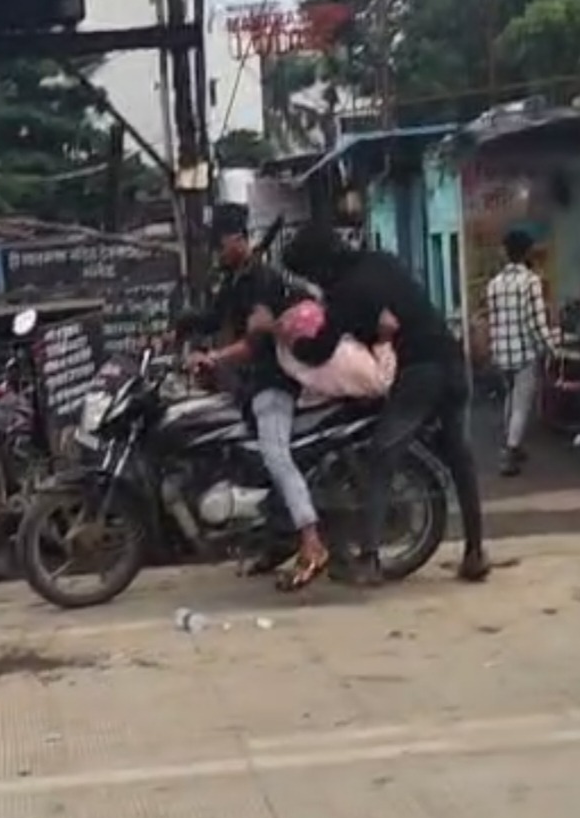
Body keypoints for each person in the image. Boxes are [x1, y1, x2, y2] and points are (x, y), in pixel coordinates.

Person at [283, 224, 490, 586]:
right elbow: (385, 320)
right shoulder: (381, 261)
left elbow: (320, 350)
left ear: (319, 264)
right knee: (460, 456)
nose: (313, 281)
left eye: (310, 273)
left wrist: (290, 342)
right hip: (453, 360)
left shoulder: (345, 290)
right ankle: (475, 553)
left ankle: (370, 560)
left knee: (381, 456)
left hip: (421, 370)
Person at [179, 204, 330, 590]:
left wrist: (213, 358)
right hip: (247, 386)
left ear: (236, 240)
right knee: (249, 462)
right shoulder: (236, 279)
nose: (215, 252)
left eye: (219, 244)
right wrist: (177, 328)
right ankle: (276, 540)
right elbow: (213, 318)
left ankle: (312, 542)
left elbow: (253, 344)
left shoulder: (262, 280)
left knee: (275, 456)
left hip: (273, 383)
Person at [486, 229, 559, 476]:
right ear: (527, 252)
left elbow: (494, 321)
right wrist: (550, 347)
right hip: (524, 352)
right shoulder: (531, 281)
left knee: (510, 397)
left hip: (501, 352)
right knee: (521, 404)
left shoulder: (494, 284)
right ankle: (510, 451)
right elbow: (536, 321)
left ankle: (511, 442)